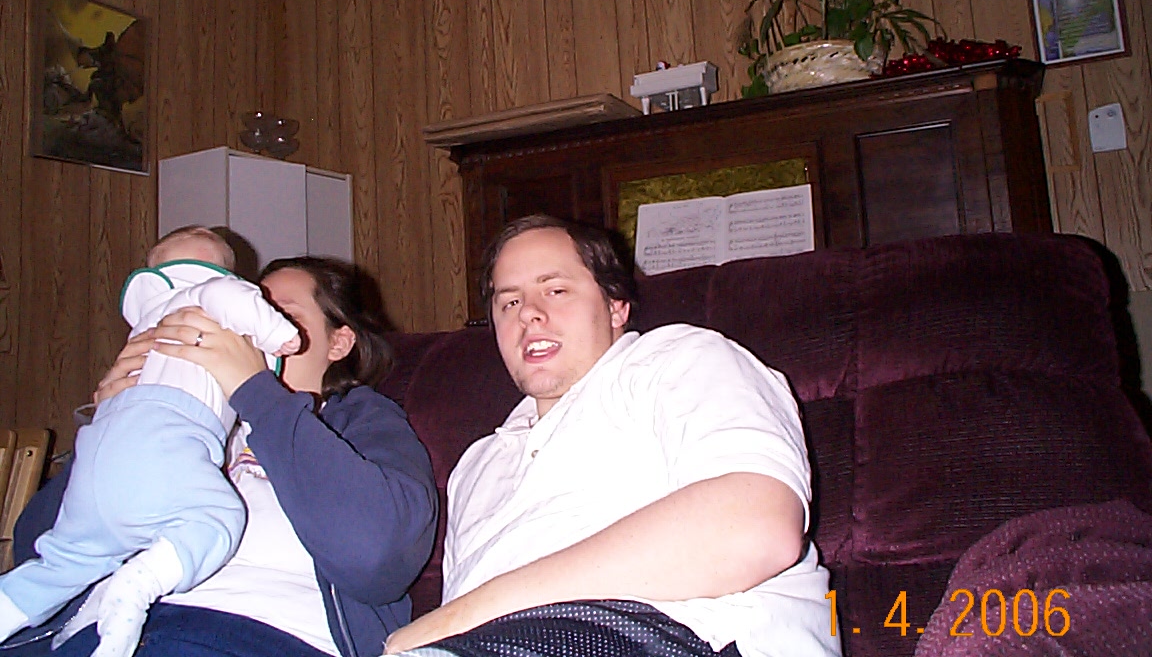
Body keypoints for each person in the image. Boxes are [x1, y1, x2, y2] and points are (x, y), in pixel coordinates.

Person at [384, 215, 839, 657]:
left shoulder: (681, 360)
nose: (530, 315)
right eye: (509, 302)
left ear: (616, 306)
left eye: (555, 290)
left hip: (682, 632)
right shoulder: (477, 465)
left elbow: (756, 529)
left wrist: (459, 617)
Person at [4, 255, 438, 657]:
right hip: (93, 637)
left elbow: (377, 557)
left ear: (338, 342)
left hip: (254, 635)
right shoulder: (182, 416)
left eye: (283, 315)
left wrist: (256, 392)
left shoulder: (364, 420)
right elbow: (34, 546)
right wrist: (111, 424)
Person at [0, 226, 302, 657]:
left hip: (113, 447)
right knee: (215, 520)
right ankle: (140, 584)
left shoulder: (356, 422)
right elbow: (28, 534)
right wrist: (277, 336)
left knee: (64, 562)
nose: (265, 308)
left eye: (283, 309)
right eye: (262, 301)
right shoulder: (216, 299)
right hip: (147, 432)